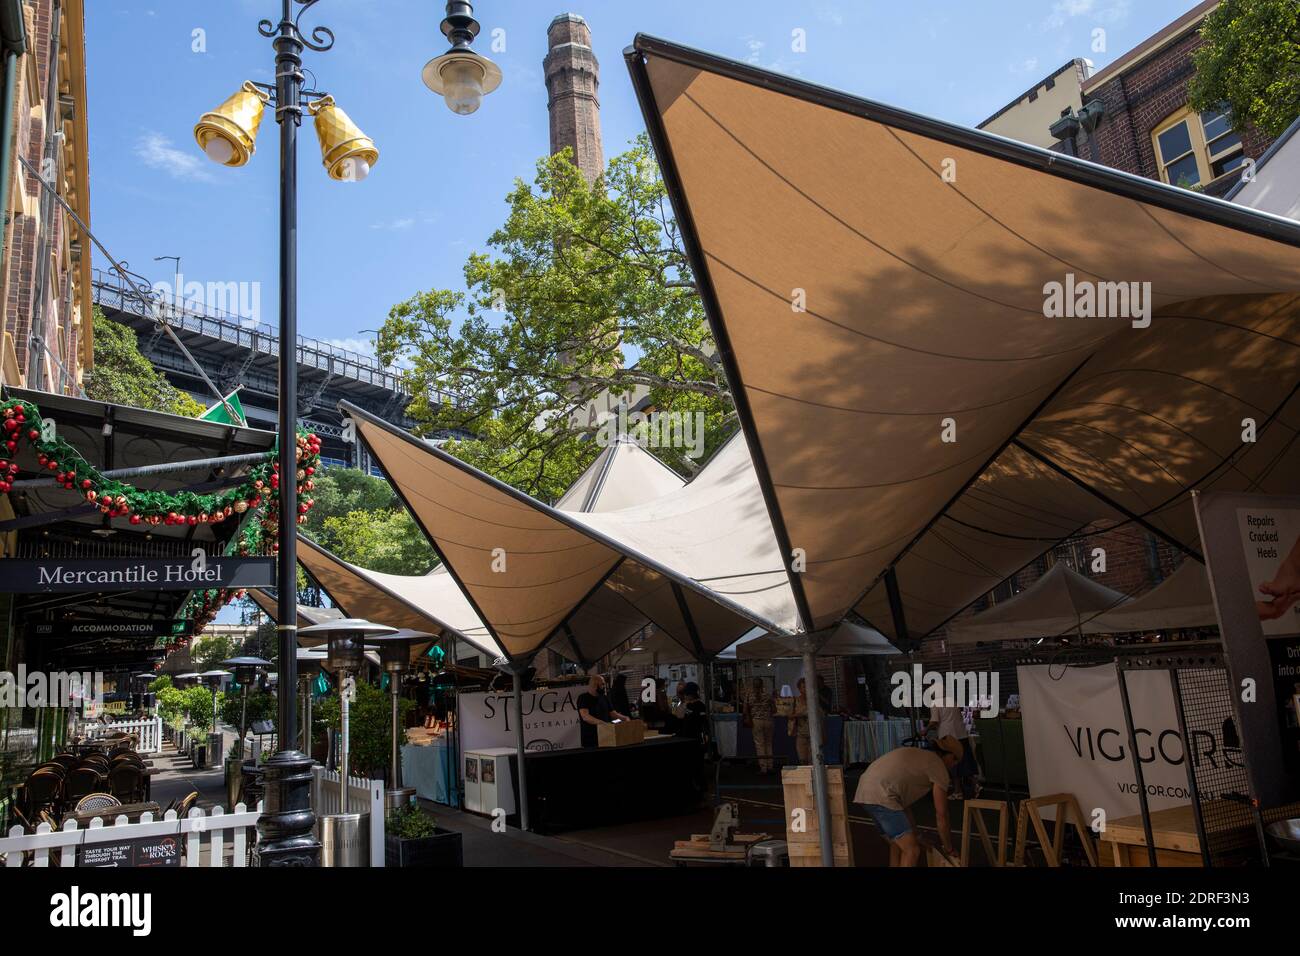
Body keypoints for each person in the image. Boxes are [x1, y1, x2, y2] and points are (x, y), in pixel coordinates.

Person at [854, 737, 962, 866]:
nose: (954, 765)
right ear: (950, 756)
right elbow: (942, 814)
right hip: (883, 794)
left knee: (898, 842)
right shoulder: (938, 767)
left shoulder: (918, 756)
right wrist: (948, 848)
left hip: (865, 789)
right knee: (912, 850)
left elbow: (903, 808)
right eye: (956, 761)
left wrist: (917, 835)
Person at [928, 704, 979, 798]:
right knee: (966, 761)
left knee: (953, 764)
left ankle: (957, 791)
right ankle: (975, 786)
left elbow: (934, 721)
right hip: (961, 734)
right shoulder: (953, 700)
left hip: (948, 737)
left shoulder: (935, 703)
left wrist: (925, 730)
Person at [575, 673, 629, 749]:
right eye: (602, 684)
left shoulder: (604, 698)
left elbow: (613, 714)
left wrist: (625, 718)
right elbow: (585, 717)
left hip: (607, 737)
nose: (604, 687)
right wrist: (603, 723)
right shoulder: (583, 698)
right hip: (591, 740)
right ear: (595, 685)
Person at [743, 677, 776, 773]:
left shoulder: (749, 695)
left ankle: (763, 767)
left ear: (753, 686)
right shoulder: (768, 695)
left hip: (756, 721)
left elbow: (745, 710)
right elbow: (774, 710)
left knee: (760, 745)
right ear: (762, 685)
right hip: (768, 721)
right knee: (769, 744)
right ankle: (770, 765)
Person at [789, 677, 817, 764]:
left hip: (813, 733)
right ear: (799, 689)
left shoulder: (814, 700)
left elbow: (820, 714)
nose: (805, 689)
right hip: (801, 733)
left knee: (813, 758)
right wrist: (799, 714)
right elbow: (790, 716)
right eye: (803, 687)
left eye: (807, 687)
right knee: (802, 758)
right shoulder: (795, 700)